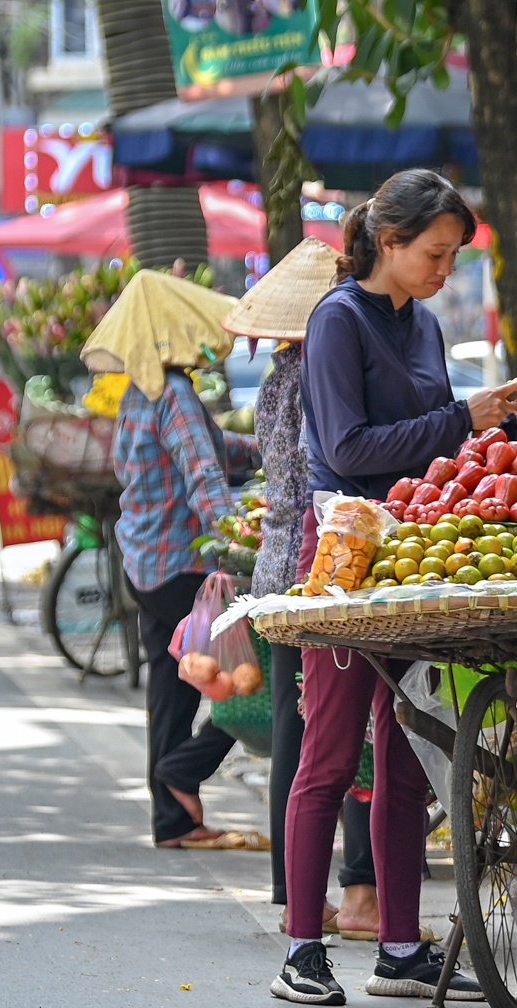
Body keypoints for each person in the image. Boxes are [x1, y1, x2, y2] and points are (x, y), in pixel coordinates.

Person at [272, 169, 517, 1006]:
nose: (443, 270)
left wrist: (494, 432)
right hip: (350, 556)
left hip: (415, 554)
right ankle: (302, 948)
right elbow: (351, 449)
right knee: (328, 752)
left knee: (403, 759)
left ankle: (399, 944)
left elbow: (426, 448)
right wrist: (468, 416)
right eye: (433, 253)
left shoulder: (424, 326)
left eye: (452, 257)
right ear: (387, 243)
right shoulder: (337, 320)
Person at [223, 237, 381, 936]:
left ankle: (294, 888)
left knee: (298, 728)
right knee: (342, 732)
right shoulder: (322, 367)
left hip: (274, 560)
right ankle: (352, 888)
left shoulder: (275, 377)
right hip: (321, 561)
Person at [95, 270, 262, 849]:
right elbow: (206, 480)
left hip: (143, 561)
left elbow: (215, 449)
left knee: (173, 684)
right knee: (251, 679)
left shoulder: (144, 392)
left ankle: (174, 819)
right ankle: (183, 770)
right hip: (181, 568)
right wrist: (239, 541)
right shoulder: (176, 394)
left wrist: (271, 449)